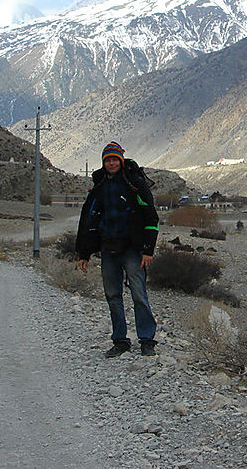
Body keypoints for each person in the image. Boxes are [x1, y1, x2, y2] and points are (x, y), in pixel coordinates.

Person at [76, 142, 160, 357]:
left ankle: (147, 340)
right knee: (113, 295)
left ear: (120, 161)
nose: (111, 163)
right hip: (108, 249)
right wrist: (83, 253)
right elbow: (87, 221)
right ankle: (120, 340)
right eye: (107, 160)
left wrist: (148, 250)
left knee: (139, 293)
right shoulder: (99, 188)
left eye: (114, 159)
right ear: (103, 162)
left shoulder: (134, 184)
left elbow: (151, 217)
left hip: (133, 249)